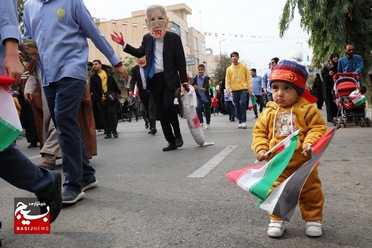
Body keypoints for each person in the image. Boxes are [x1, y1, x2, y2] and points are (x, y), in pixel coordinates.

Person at [23, 0, 128, 204]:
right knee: (65, 124)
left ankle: (73, 184)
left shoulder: (71, 2)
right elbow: (29, 39)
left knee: (63, 120)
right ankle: (87, 175)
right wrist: (27, 57)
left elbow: (94, 33)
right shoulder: (29, 6)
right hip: (47, 75)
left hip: (72, 71)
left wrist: (115, 61)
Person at [0, 0, 62, 226]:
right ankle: (45, 183)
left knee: (0, 144)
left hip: (65, 76)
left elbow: (5, 10)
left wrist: (11, 51)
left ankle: (46, 182)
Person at [252, 59, 327, 238]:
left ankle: (313, 219)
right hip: (278, 164)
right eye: (275, 87)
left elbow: (318, 128)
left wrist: (310, 142)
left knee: (310, 191)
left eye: (287, 88)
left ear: (299, 90)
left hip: (304, 163)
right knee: (275, 192)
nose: (280, 93)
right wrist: (261, 149)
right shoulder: (268, 112)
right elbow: (259, 133)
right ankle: (277, 220)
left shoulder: (307, 110)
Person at [111, 4, 187, 151]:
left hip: (169, 79)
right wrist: (123, 44)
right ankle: (170, 141)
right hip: (154, 79)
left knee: (168, 106)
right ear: (147, 23)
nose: (156, 22)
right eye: (152, 19)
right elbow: (140, 52)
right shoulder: (147, 38)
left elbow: (181, 61)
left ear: (166, 20)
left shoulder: (173, 38)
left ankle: (178, 135)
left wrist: (184, 80)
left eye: (160, 18)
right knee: (161, 112)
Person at [90, 59, 121, 139]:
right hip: (101, 99)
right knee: (104, 115)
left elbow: (114, 84)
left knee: (112, 114)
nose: (94, 66)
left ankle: (114, 131)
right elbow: (93, 89)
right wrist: (99, 99)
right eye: (93, 64)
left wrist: (118, 93)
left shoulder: (108, 74)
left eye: (96, 64)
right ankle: (108, 132)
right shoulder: (93, 77)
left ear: (100, 65)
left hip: (110, 97)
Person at [129, 57, 157, 134]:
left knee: (151, 107)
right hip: (143, 92)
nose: (141, 60)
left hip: (152, 91)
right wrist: (131, 90)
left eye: (143, 58)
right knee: (146, 109)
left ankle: (153, 126)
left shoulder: (150, 66)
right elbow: (132, 81)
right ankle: (151, 125)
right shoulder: (135, 69)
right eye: (139, 58)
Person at [225, 51, 252, 129]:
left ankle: (244, 121)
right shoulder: (229, 69)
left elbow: (248, 78)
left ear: (238, 57)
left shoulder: (243, 66)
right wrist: (228, 89)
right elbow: (228, 80)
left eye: (236, 56)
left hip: (243, 88)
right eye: (233, 56)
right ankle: (240, 121)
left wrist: (249, 88)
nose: (234, 57)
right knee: (236, 105)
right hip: (234, 90)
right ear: (231, 58)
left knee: (243, 103)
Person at [321, 53, 339, 122]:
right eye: (334, 57)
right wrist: (329, 74)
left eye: (337, 57)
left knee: (336, 101)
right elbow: (323, 75)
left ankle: (337, 116)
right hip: (328, 86)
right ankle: (330, 117)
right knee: (329, 101)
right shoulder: (327, 65)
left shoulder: (339, 65)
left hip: (336, 85)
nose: (336, 58)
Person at [192, 64, 211, 129]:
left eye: (202, 70)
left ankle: (208, 123)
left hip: (205, 97)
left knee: (207, 111)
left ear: (204, 70)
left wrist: (198, 88)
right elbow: (193, 86)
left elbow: (206, 89)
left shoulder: (206, 78)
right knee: (198, 108)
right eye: (199, 70)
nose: (200, 71)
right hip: (199, 96)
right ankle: (201, 122)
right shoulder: (195, 78)